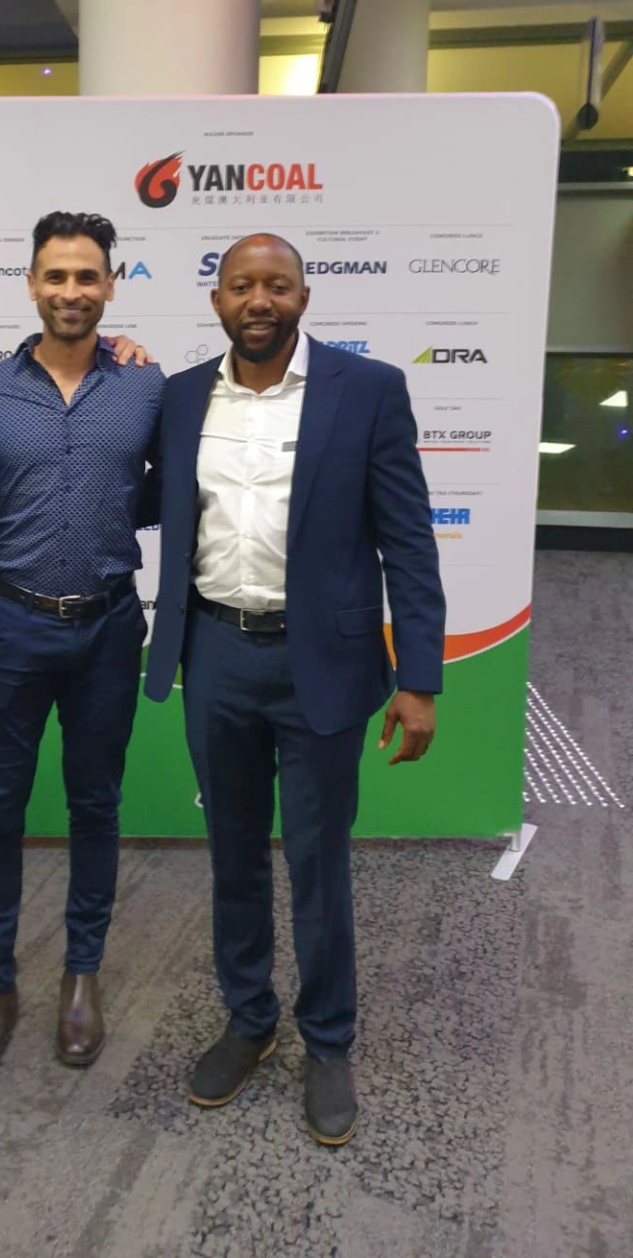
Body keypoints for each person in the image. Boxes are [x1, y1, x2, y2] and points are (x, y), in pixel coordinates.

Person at [145, 233, 445, 1147]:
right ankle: (248, 1019)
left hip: (323, 664)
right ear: (218, 301)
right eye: (243, 286)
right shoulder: (181, 396)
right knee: (233, 853)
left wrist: (420, 680)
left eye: (277, 285)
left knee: (318, 862)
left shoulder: (369, 391)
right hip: (218, 657)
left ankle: (327, 1041)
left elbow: (408, 540)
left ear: (306, 297)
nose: (260, 300)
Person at [0, 211, 164, 1087]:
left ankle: (83, 978)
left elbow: (160, 492)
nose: (71, 291)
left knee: (95, 807)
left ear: (111, 285)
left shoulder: (150, 388)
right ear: (32, 286)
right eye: (55, 276)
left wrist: (105, 512)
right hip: (11, 624)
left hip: (111, 627)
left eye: (87, 277)